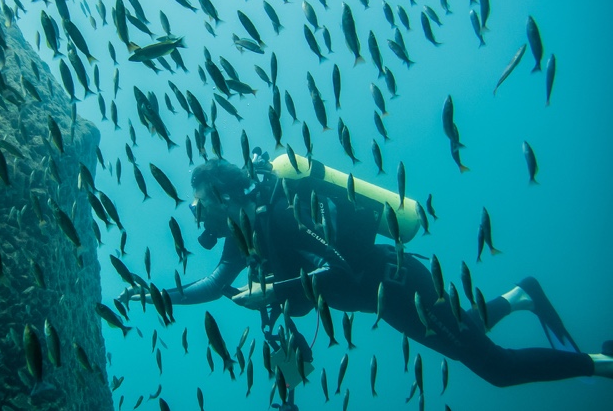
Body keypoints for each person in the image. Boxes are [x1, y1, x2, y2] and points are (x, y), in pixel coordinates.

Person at [120, 154, 613, 388]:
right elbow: (212, 286)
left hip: (398, 284)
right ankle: (521, 295)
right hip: (389, 297)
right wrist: (156, 295)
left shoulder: (283, 214)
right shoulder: (243, 236)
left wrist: (272, 292)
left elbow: (339, 268)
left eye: (198, 200)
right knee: (464, 331)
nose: (192, 209)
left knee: (496, 369)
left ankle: (601, 364)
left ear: (223, 197)